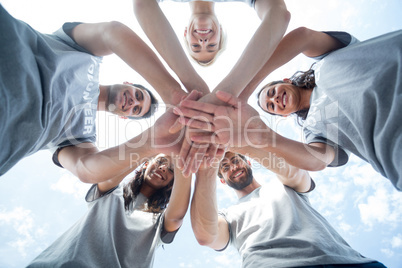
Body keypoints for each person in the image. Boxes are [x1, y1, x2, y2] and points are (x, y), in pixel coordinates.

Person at [174, 26, 402, 191]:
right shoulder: (315, 128)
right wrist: (262, 137)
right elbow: (318, 160)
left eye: (271, 93)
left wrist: (245, 87)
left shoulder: (327, 59)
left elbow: (302, 37)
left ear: (285, 80)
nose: (274, 100)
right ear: (284, 115)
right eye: (271, 107)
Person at [0, 4, 190, 177]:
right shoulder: (85, 52)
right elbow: (112, 32)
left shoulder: (82, 135)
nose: (134, 102)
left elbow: (85, 169)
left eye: (136, 109)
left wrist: (150, 142)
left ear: (124, 117)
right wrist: (171, 93)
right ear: (128, 83)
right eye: (138, 95)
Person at [191, 150, 387, 268]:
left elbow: (297, 173)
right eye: (224, 167)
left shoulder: (283, 183)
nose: (232, 167)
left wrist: (242, 143)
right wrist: (207, 167)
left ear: (248, 162)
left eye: (235, 160)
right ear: (222, 181)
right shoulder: (227, 215)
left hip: (347, 262)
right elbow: (206, 236)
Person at [28, 153, 192, 267]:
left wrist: (184, 163)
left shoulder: (159, 220)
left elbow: (177, 217)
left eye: (171, 169)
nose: (163, 168)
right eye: (161, 161)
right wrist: (151, 149)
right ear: (147, 163)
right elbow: (108, 176)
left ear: (173, 183)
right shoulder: (112, 191)